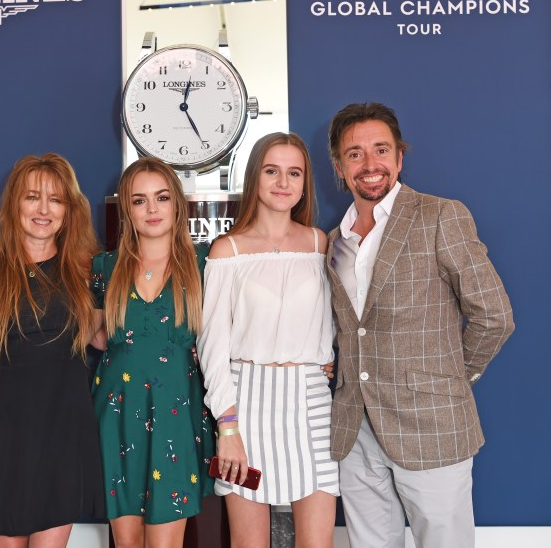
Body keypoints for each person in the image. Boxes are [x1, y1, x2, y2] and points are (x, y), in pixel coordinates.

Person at [325, 103, 515, 548]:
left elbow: (495, 315)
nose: (370, 165)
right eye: (355, 154)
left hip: (432, 425)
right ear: (339, 166)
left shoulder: (439, 217)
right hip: (356, 429)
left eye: (381, 150)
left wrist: (452, 376)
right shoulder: (334, 242)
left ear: (399, 157)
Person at [0, 153, 105, 546]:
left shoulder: (87, 272)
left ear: (69, 210)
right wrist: (10, 422)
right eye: (33, 197)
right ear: (15, 204)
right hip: (6, 435)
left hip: (64, 431)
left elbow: (101, 340)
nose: (44, 209)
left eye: (56, 199)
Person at [198, 132, 338, 548]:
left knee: (318, 543)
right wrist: (227, 428)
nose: (283, 182)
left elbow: (338, 318)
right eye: (272, 171)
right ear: (254, 177)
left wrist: (329, 357)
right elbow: (212, 348)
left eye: (294, 173)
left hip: (312, 401)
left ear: (304, 182)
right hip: (245, 404)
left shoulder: (319, 242)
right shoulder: (227, 251)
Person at [89, 157, 215, 548]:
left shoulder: (205, 262)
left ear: (177, 204)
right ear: (127, 209)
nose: (152, 209)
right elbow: (94, 338)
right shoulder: (104, 267)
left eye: (161, 197)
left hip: (176, 417)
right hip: (116, 416)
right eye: (139, 200)